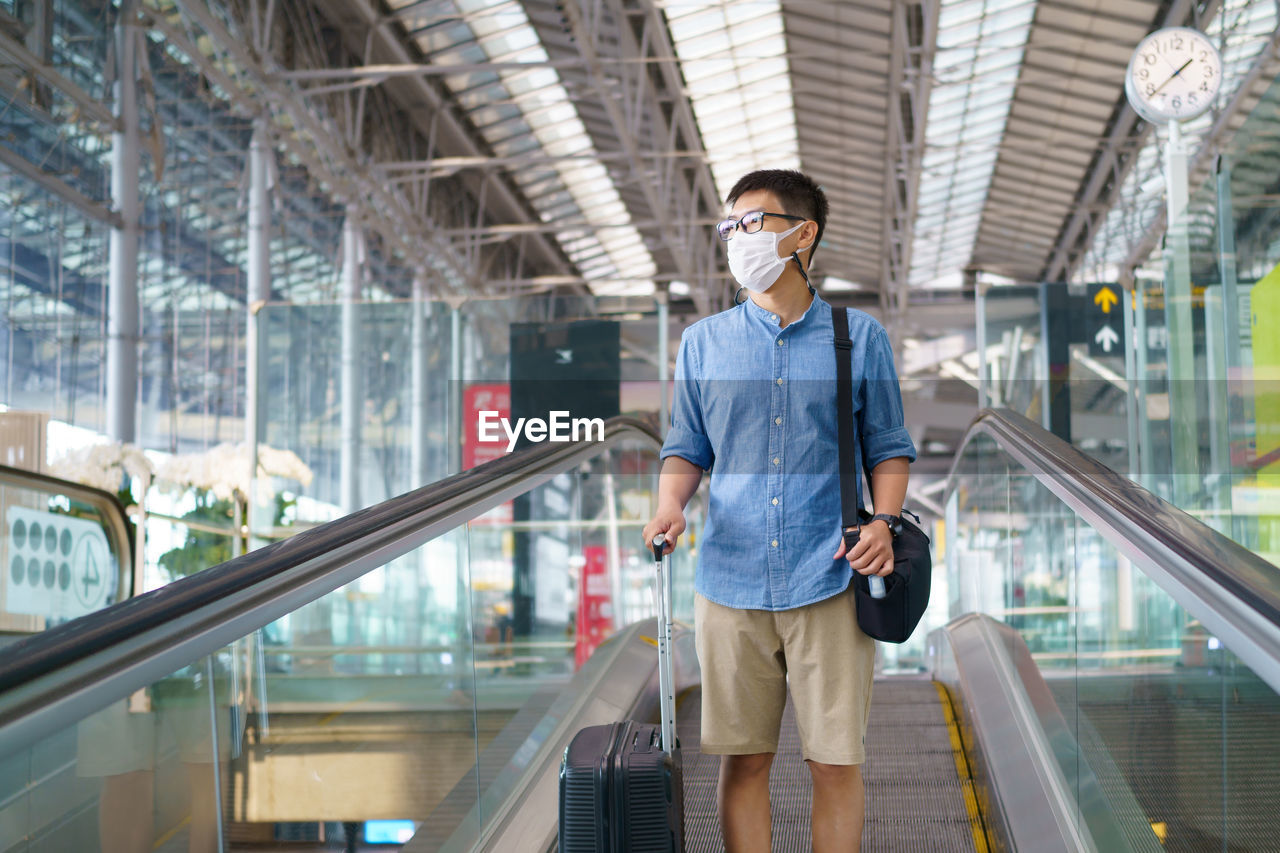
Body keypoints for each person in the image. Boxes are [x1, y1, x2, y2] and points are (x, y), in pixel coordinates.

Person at [642, 169, 916, 853]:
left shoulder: (859, 337)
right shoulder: (703, 343)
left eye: (752, 222)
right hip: (729, 582)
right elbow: (685, 447)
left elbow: (888, 447)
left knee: (834, 761)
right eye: (728, 225)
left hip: (828, 571)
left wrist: (883, 521)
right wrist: (669, 505)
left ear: (803, 233)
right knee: (745, 759)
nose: (736, 238)